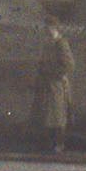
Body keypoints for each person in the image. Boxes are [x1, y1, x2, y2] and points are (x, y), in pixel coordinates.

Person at [31, 16, 75, 156]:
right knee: (47, 115)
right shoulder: (50, 43)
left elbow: (69, 65)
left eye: (48, 27)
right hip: (47, 83)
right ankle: (49, 143)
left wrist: (52, 72)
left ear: (54, 28)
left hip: (56, 84)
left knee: (57, 115)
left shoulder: (61, 43)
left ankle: (59, 144)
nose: (46, 30)